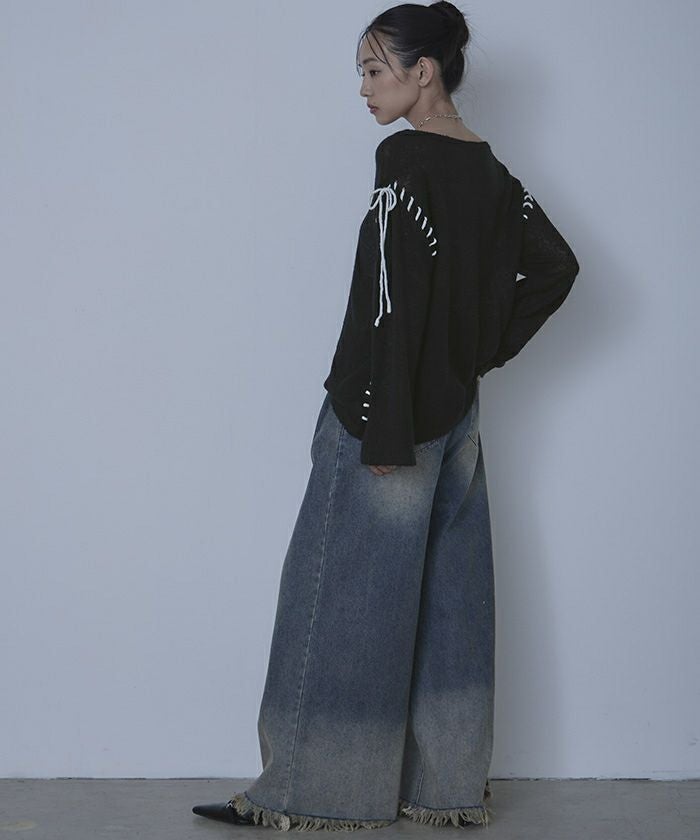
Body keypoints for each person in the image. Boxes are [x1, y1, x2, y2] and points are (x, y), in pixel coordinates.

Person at [193, 0, 579, 831]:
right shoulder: (491, 173)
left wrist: (386, 422)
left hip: (384, 410)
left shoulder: (404, 157)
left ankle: (312, 795)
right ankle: (443, 791)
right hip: (457, 416)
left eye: (375, 70)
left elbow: (390, 297)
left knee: (340, 598)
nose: (364, 88)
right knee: (450, 603)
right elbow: (557, 266)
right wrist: (476, 354)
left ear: (422, 72)